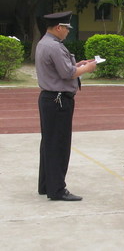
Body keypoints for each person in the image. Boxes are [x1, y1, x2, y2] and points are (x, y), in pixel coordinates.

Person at [36, 11, 97, 201]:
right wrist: (86, 68)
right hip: (59, 100)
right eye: (67, 28)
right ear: (58, 28)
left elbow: (61, 68)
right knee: (59, 145)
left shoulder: (44, 43)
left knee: (49, 143)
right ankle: (57, 189)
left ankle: (46, 185)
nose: (68, 32)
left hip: (50, 98)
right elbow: (67, 73)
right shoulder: (54, 46)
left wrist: (77, 65)